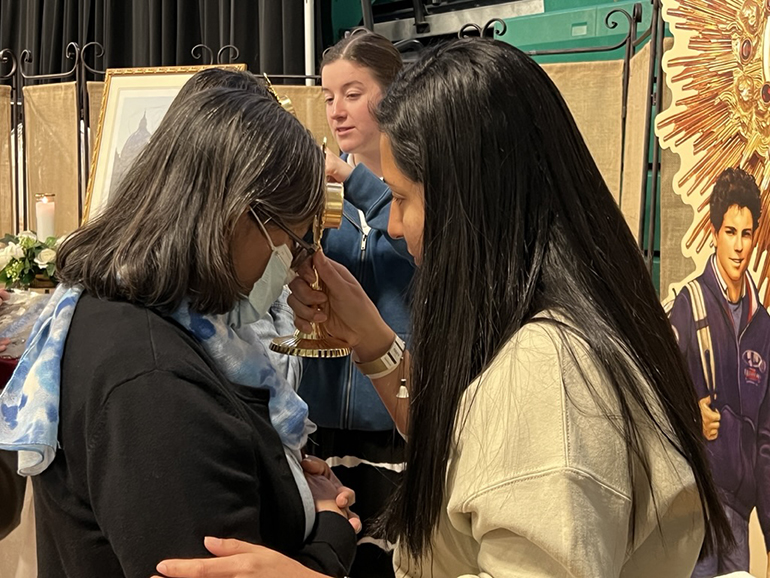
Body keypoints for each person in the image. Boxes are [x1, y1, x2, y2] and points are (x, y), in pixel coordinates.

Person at [154, 38, 732, 578]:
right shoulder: (547, 336)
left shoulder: (549, 372)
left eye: (402, 199)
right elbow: (470, 447)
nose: (398, 226)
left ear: (473, 203)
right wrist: (374, 342)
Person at [0, 75, 359, 578]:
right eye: (292, 241)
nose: (292, 265)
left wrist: (279, 475)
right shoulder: (154, 381)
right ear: (238, 217)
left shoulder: (124, 310)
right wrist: (331, 531)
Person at [300, 28, 415, 578]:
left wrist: (358, 182)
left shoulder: (421, 190)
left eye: (353, 92)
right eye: (328, 96)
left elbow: (426, 259)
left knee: (394, 562)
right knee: (335, 555)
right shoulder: (318, 194)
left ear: (391, 96)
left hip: (397, 413)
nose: (337, 111)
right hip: (321, 413)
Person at [669, 167, 770, 578]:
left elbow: (766, 442)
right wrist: (691, 417)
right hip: (697, 506)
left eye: (747, 235)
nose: (739, 246)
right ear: (714, 232)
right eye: (730, 232)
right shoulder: (687, 306)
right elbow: (655, 399)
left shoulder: (764, 327)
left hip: (739, 520)